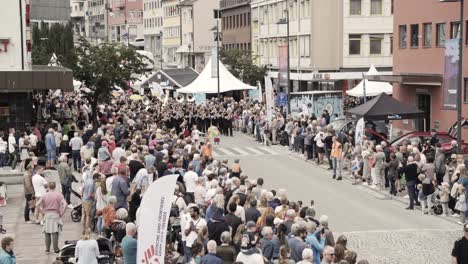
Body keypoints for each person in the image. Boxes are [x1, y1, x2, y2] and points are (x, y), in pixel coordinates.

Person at [37, 181, 67, 254]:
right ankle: (56, 248)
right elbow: (65, 204)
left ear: (48, 187)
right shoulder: (59, 195)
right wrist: (61, 213)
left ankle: (47, 249)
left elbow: (37, 204)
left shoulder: (44, 195)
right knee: (55, 232)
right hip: (56, 214)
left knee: (47, 233)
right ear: (55, 186)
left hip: (47, 215)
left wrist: (42, 212)